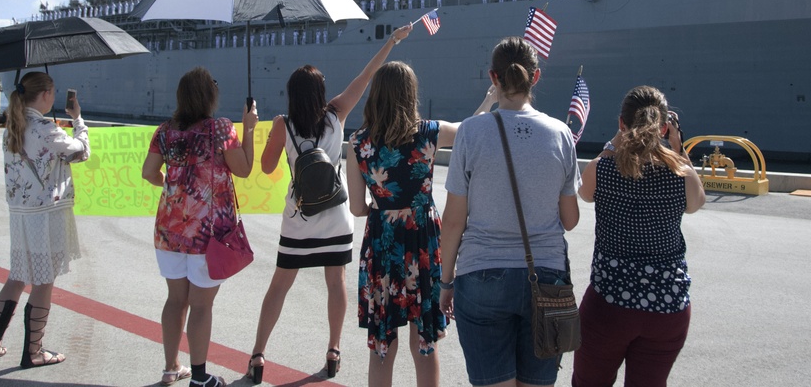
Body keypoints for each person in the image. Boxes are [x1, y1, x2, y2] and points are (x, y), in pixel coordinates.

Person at [248, 25, 414, 383]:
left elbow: (264, 167)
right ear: (321, 91)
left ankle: (259, 354)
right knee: (336, 282)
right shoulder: (336, 114)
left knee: (279, 285)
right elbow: (366, 76)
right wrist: (391, 41)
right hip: (337, 218)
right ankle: (333, 349)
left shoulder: (283, 124)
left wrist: (256, 128)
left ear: (291, 94)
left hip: (299, 217)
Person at [440, 37, 580, 387]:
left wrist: (445, 283)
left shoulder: (471, 132)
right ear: (536, 78)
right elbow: (570, 220)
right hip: (546, 278)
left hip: (482, 274)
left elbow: (454, 221)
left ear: (493, 77)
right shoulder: (561, 134)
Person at [346, 63, 495, 386]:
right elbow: (470, 129)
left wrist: (383, 204)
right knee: (424, 342)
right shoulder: (429, 133)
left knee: (382, 346)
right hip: (423, 242)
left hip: (383, 244)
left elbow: (357, 208)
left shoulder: (357, 143)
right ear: (410, 94)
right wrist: (489, 101)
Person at [571, 86, 705, 387]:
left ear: (622, 123)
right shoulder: (680, 173)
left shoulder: (604, 168)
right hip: (668, 306)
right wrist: (678, 149)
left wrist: (612, 143)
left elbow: (584, 193)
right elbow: (697, 203)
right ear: (665, 126)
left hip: (610, 303)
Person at [141, 68, 257, 387]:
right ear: (209, 96)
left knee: (175, 300)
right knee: (202, 305)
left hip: (169, 230)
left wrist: (173, 187)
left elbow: (149, 172)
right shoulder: (220, 128)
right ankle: (201, 377)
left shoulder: (165, 131)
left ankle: (170, 368)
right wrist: (248, 129)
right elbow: (244, 169)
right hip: (208, 236)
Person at [0, 72, 89, 368]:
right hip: (46, 215)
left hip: (20, 213)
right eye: (53, 91)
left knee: (16, 277)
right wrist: (78, 121)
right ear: (46, 94)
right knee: (43, 282)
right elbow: (81, 152)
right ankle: (34, 352)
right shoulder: (44, 126)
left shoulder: (13, 126)